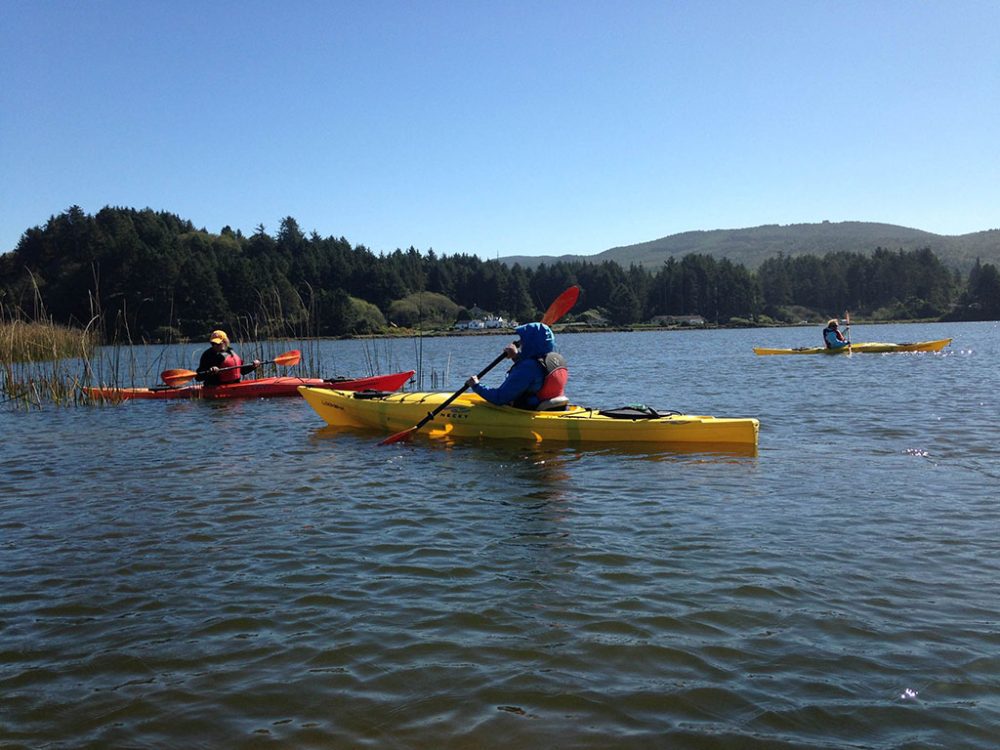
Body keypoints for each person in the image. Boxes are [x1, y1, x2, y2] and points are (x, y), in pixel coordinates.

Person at [465, 322, 568, 409]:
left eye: (523, 339)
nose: (521, 343)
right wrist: (517, 356)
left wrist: (476, 385)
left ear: (530, 342)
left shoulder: (527, 368)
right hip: (556, 407)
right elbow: (536, 370)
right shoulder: (556, 359)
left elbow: (500, 398)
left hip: (528, 411)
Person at [195, 330, 260, 387]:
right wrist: (210, 371)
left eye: (218, 343)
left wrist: (253, 366)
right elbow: (198, 377)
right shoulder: (208, 355)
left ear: (225, 342)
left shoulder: (231, 352)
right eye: (213, 343)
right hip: (215, 388)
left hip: (234, 386)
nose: (215, 346)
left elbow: (242, 370)